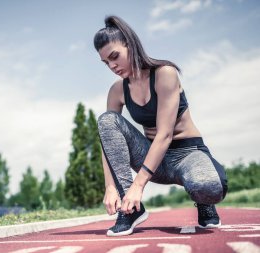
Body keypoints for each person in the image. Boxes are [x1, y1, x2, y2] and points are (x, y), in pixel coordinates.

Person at [93, 15, 228, 237]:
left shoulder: (165, 74)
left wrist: (138, 186)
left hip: (187, 154)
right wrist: (111, 186)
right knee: (106, 120)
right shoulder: (117, 91)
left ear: (130, 44)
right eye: (106, 62)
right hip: (154, 159)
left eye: (115, 56)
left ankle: (204, 202)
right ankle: (131, 211)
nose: (112, 65)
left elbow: (165, 134)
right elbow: (107, 142)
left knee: (208, 187)